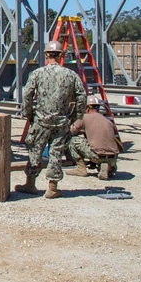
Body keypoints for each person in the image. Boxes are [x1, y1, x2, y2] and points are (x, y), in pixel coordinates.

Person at [15, 39, 87, 199]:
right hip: (61, 122)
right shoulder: (70, 75)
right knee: (56, 153)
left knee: (35, 151)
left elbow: (27, 95)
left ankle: (30, 184)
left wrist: (29, 115)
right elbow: (82, 96)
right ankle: (52, 187)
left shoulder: (37, 74)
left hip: (41, 120)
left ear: (46, 55)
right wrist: (76, 117)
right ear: (62, 55)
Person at [65, 95, 120, 180]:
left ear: (87, 108)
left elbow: (71, 131)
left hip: (97, 156)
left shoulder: (84, 117)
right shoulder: (108, 121)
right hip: (113, 157)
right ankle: (107, 167)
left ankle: (81, 169)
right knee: (97, 145)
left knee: (72, 140)